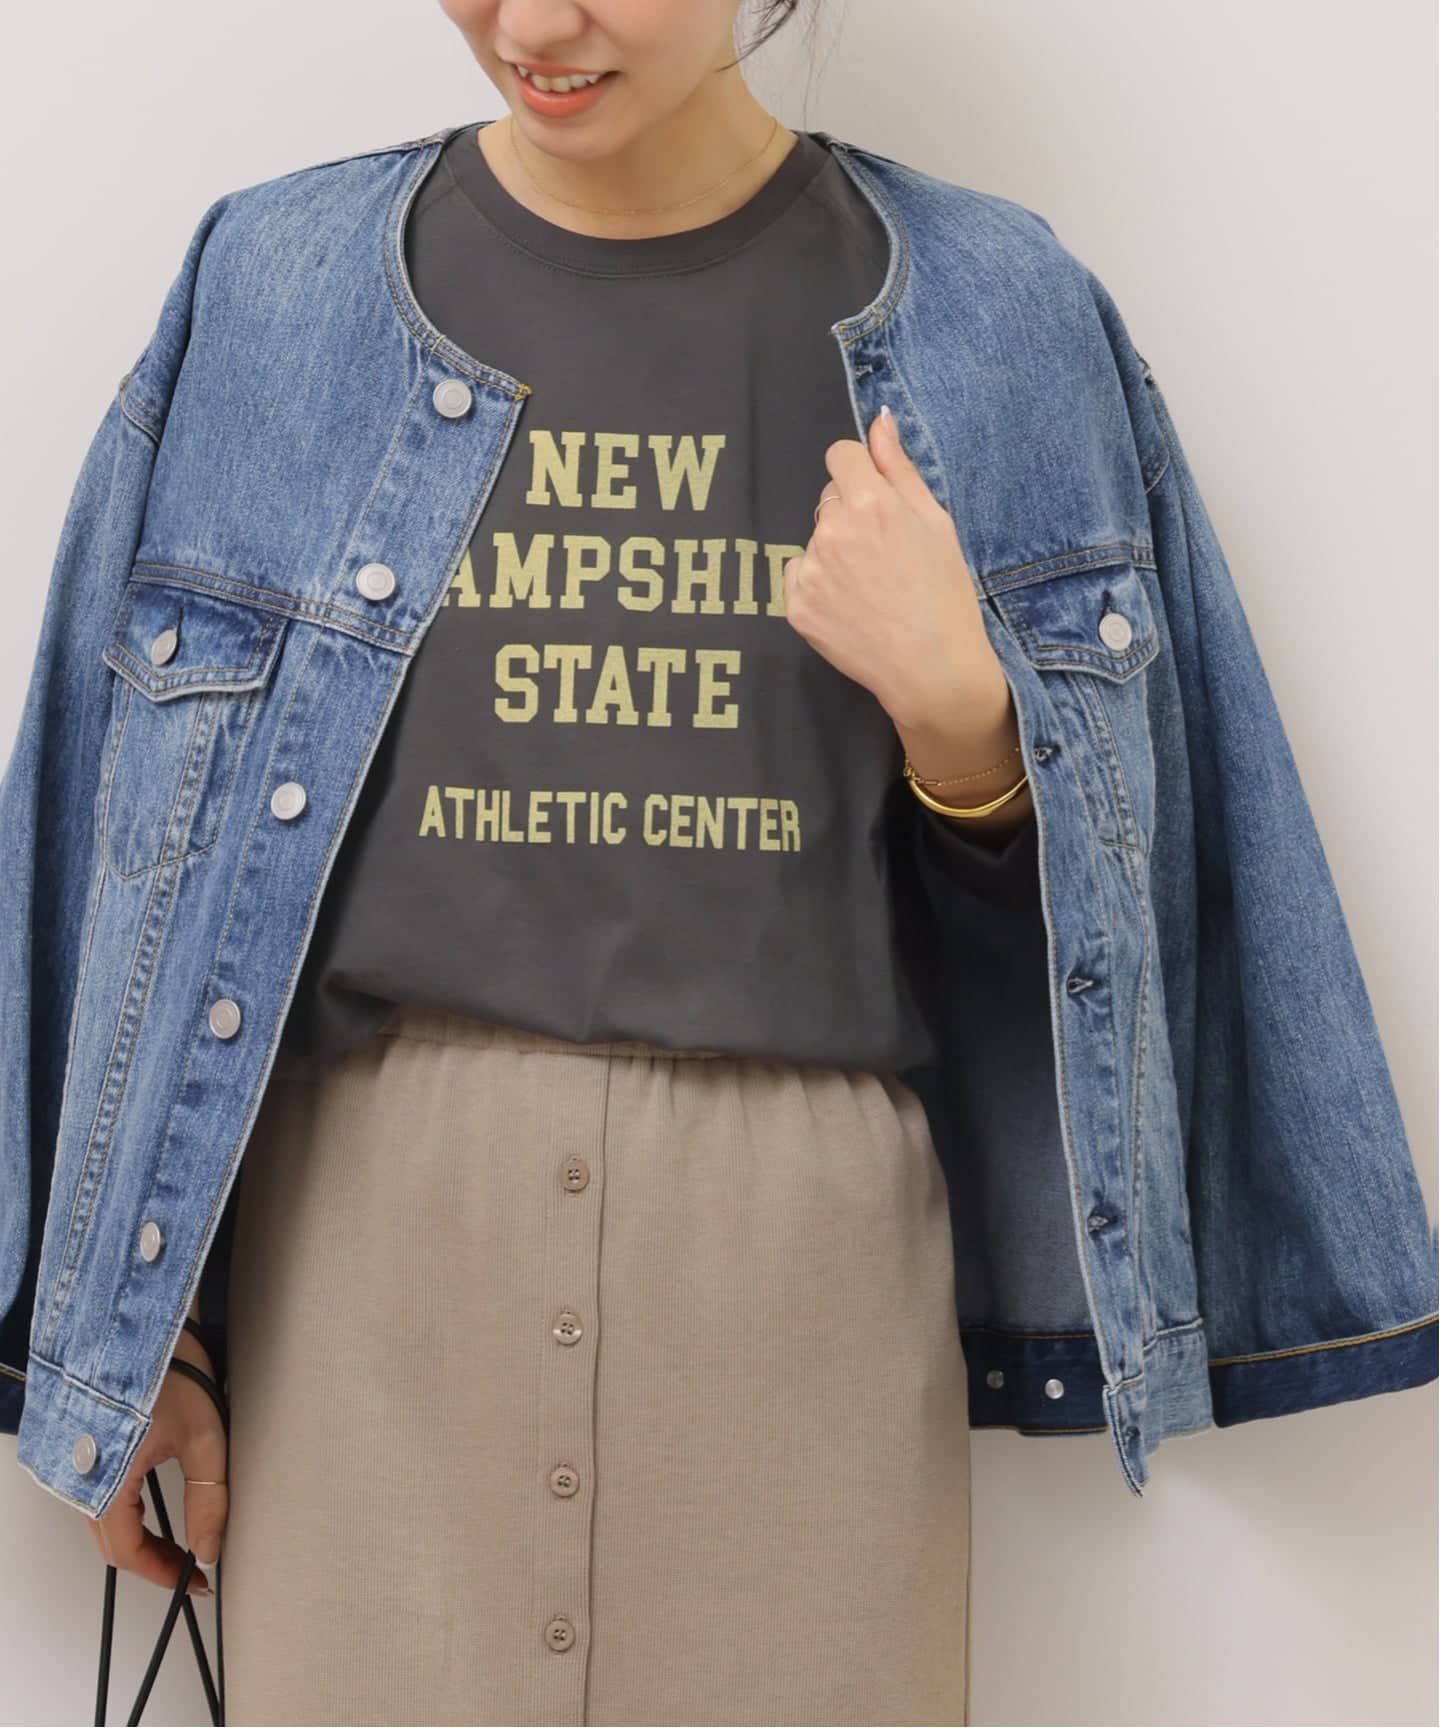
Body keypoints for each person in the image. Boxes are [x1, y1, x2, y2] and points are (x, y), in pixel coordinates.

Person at [83, 2, 1040, 1721]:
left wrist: (968, 728)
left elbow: (1120, 977)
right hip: (360, 1282)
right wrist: (133, 1327)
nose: (533, 23)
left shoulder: (986, 309)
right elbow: (138, 855)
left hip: (798, 1296)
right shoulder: (279, 287)